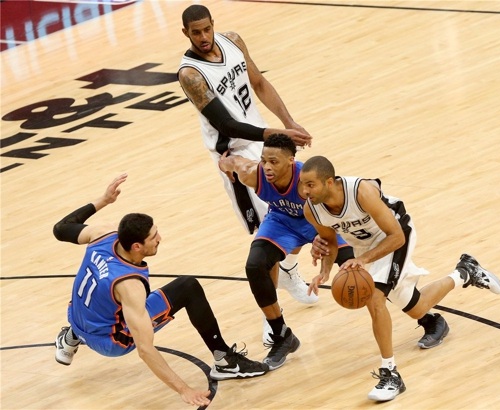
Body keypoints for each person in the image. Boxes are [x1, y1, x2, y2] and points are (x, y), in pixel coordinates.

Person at [299, 155, 500, 402]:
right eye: (302, 184)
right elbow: (330, 242)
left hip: (395, 235)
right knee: (417, 307)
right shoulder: (312, 209)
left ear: (329, 182)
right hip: (364, 247)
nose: (304, 191)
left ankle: (391, 374)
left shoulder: (360, 192)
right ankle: (465, 272)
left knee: (375, 298)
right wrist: (324, 271)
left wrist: (363, 260)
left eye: (310, 185)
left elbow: (396, 236)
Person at [53, 174, 269, 408]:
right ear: (137, 246)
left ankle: (72, 335)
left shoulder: (103, 233)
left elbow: (60, 228)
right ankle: (224, 360)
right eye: (153, 237)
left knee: (104, 293)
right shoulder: (129, 286)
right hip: (110, 340)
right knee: (188, 287)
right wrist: (184, 389)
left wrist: (104, 200)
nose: (160, 239)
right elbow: (145, 350)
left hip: (76, 317)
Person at [177, 4, 316, 306]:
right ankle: (274, 318)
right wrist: (276, 134)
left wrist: (288, 122)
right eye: (196, 32)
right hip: (235, 154)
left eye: (207, 29)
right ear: (185, 33)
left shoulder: (233, 41)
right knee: (269, 233)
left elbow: (260, 83)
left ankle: (289, 269)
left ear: (213, 24)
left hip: (264, 140)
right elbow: (226, 124)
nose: (203, 37)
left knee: (298, 209)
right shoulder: (191, 74)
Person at [217, 135, 354, 370]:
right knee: (255, 265)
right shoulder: (253, 174)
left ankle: (419, 314)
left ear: (291, 161)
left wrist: (324, 241)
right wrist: (225, 165)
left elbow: (335, 210)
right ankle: (282, 335)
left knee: (355, 271)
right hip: (281, 222)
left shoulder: (308, 182)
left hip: (320, 221)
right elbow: (233, 162)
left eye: (274, 162)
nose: (267, 167)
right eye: (264, 160)